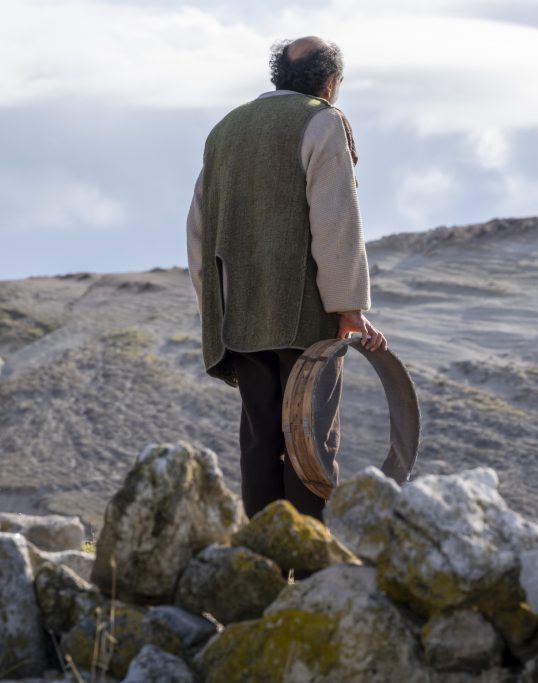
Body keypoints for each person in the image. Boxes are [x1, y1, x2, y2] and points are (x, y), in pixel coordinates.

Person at [186, 36, 386, 521]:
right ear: (331, 81)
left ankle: (264, 557)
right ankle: (309, 562)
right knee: (309, 437)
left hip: (241, 317)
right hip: (306, 318)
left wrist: (215, 304)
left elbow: (198, 227)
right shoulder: (323, 120)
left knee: (260, 441)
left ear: (278, 74)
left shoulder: (225, 129)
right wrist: (349, 309)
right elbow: (335, 219)